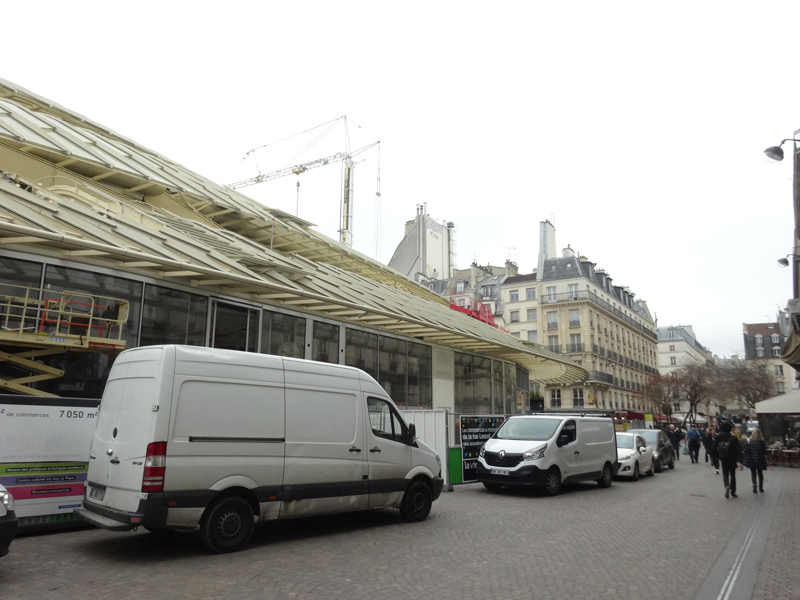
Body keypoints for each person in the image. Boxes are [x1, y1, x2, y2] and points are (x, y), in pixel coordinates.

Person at [715, 422, 744, 499]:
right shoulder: (733, 438)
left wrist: (717, 456)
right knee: (732, 474)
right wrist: (741, 461)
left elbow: (713, 448)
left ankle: (727, 485)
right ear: (730, 429)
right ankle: (733, 492)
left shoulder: (718, 437)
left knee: (725, 474)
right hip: (732, 458)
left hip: (723, 458)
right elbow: (738, 450)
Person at [747, 428, 767, 493]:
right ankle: (761, 487)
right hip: (760, 459)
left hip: (752, 459)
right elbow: (764, 451)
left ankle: (754, 486)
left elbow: (748, 450)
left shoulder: (750, 441)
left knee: (753, 473)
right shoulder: (762, 442)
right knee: (760, 473)